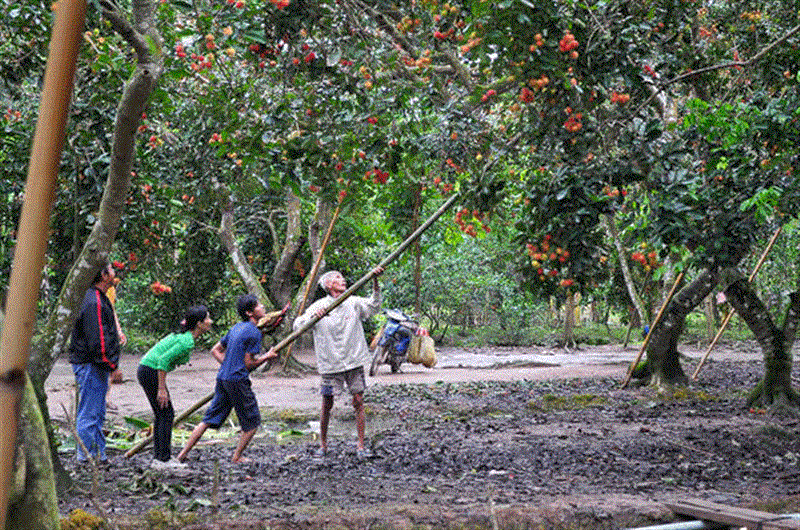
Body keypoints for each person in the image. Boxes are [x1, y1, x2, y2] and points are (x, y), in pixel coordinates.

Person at [293, 267, 384, 459]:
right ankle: (323, 445)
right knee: (327, 403)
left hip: (354, 359)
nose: (343, 280)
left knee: (358, 400)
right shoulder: (319, 306)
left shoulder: (353, 302)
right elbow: (298, 325)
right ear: (328, 285)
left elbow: (374, 306)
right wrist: (313, 317)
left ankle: (360, 445)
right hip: (330, 363)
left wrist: (375, 282)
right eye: (338, 278)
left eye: (343, 278)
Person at [177, 294, 277, 464]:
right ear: (249, 313)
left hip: (223, 377)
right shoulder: (254, 332)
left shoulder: (237, 328)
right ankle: (237, 457)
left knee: (208, 419)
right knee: (252, 423)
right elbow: (248, 364)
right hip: (237, 380)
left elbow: (215, 350)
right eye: (259, 305)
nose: (263, 307)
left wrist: (229, 365)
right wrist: (267, 356)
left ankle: (181, 455)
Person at [137, 305, 213, 469]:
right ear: (199, 324)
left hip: (147, 369)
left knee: (162, 413)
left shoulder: (186, 338)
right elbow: (163, 361)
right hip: (150, 370)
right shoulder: (186, 342)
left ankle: (160, 458)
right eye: (207, 318)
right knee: (166, 414)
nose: (210, 321)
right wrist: (161, 389)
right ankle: (163, 459)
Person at [69, 262, 122, 463]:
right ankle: (86, 457)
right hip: (91, 364)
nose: (114, 272)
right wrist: (112, 365)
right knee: (90, 413)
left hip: (94, 364)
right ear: (103, 275)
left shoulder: (98, 298)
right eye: (111, 269)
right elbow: (98, 341)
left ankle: (98, 455)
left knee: (97, 412)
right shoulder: (94, 302)